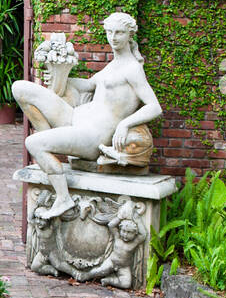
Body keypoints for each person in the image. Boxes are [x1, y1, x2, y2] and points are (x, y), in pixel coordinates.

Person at [13, 12, 162, 219]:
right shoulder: (113, 65)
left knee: (33, 143)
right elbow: (87, 85)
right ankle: (50, 148)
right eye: (109, 32)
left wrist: (125, 124)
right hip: (75, 118)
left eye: (119, 32)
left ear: (130, 34)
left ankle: (63, 198)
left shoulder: (133, 69)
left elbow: (155, 107)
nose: (113, 37)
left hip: (93, 136)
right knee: (20, 88)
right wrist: (61, 73)